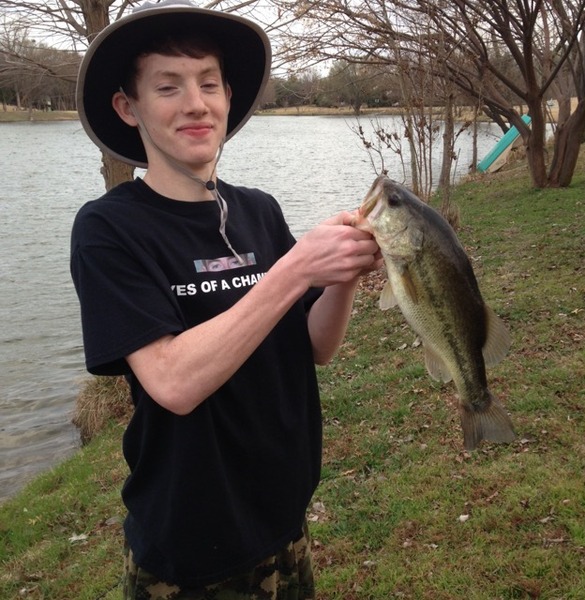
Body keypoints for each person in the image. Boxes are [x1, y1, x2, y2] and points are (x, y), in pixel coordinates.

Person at [71, 1, 381, 598]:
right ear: (128, 107)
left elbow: (315, 347)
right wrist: (294, 270)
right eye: (168, 87)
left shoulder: (258, 209)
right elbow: (172, 381)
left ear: (228, 97)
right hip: (189, 549)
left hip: (284, 521)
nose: (195, 103)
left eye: (208, 84)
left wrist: (342, 274)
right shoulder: (109, 229)